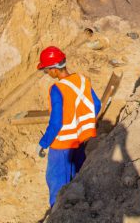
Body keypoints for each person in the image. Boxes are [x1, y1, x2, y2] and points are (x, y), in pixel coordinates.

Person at [36, 46, 101, 207]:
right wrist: (81, 127)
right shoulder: (82, 80)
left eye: (46, 70)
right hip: (80, 142)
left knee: (57, 186)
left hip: (61, 146)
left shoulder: (57, 89)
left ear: (54, 70)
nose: (47, 73)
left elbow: (56, 122)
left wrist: (44, 143)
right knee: (77, 179)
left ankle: (57, 214)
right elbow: (97, 105)